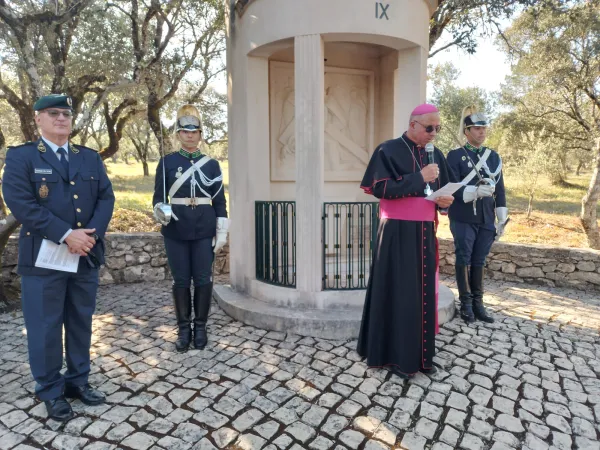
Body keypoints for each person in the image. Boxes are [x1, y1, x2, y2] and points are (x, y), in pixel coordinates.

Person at [2, 94, 115, 421]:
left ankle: (78, 381)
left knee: (80, 321)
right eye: (54, 113)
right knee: (45, 327)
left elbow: (106, 197)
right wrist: (68, 235)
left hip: (84, 256)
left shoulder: (89, 158)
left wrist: (88, 235)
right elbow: (21, 203)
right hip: (43, 260)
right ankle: (50, 389)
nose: (62, 119)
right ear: (38, 118)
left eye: (66, 114)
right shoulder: (22, 157)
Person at [357, 103, 455, 380]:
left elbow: (442, 192)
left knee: (421, 295)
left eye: (438, 128)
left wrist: (445, 203)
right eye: (429, 128)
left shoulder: (436, 155)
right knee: (399, 293)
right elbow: (378, 188)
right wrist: (418, 178)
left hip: (424, 232)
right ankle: (395, 358)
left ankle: (421, 357)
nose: (434, 133)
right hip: (395, 234)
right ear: (413, 124)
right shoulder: (387, 150)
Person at [152, 104, 229, 353]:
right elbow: (157, 198)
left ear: (200, 134)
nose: (190, 135)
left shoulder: (212, 165)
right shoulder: (167, 163)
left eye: (194, 131)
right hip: (175, 229)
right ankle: (184, 329)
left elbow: (219, 200)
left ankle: (201, 327)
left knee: (204, 279)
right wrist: (160, 211)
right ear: (178, 134)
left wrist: (222, 229)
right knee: (181, 280)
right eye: (185, 131)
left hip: (204, 228)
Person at [447, 106, 508, 324]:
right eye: (477, 128)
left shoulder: (493, 157)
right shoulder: (454, 156)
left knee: (480, 260)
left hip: (486, 218)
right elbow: (451, 186)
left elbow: (500, 189)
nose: (482, 132)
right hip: (463, 216)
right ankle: (466, 303)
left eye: (484, 128)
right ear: (466, 131)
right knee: (464, 258)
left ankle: (478, 303)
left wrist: (502, 216)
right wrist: (473, 191)